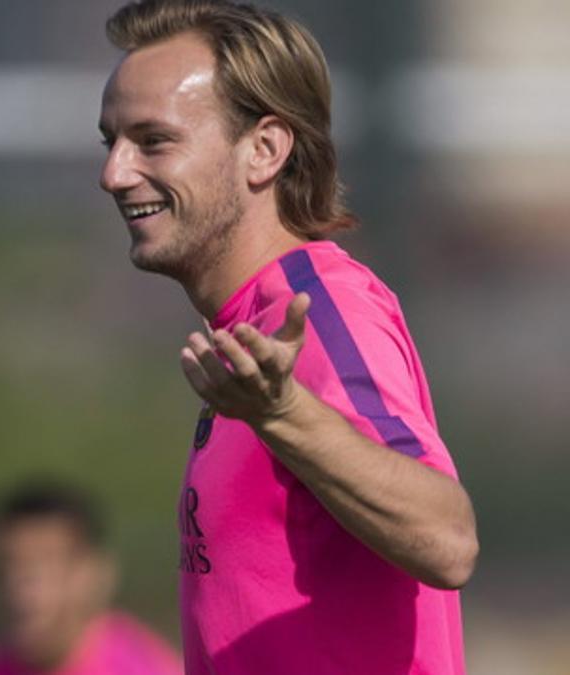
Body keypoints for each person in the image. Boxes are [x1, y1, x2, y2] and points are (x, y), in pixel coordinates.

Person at [95, 2, 479, 673]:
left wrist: (283, 412)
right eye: (112, 141)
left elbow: (446, 538)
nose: (115, 173)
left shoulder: (320, 307)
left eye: (153, 140)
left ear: (265, 149)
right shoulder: (248, 335)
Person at [0, 481, 184, 675]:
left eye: (40, 567)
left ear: (94, 574)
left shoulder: (140, 668)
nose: (17, 590)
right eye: (4, 567)